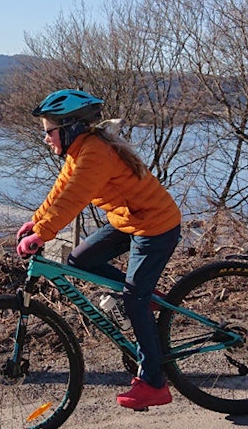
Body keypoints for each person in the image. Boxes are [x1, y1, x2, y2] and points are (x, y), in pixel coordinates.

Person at [15, 89, 182, 410]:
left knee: (134, 302)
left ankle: (154, 383)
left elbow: (76, 197)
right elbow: (61, 191)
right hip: (128, 220)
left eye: (49, 131)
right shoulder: (80, 151)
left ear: (69, 127)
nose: (46, 139)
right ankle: (148, 296)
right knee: (80, 260)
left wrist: (44, 234)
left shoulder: (95, 154)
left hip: (155, 224)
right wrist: (35, 222)